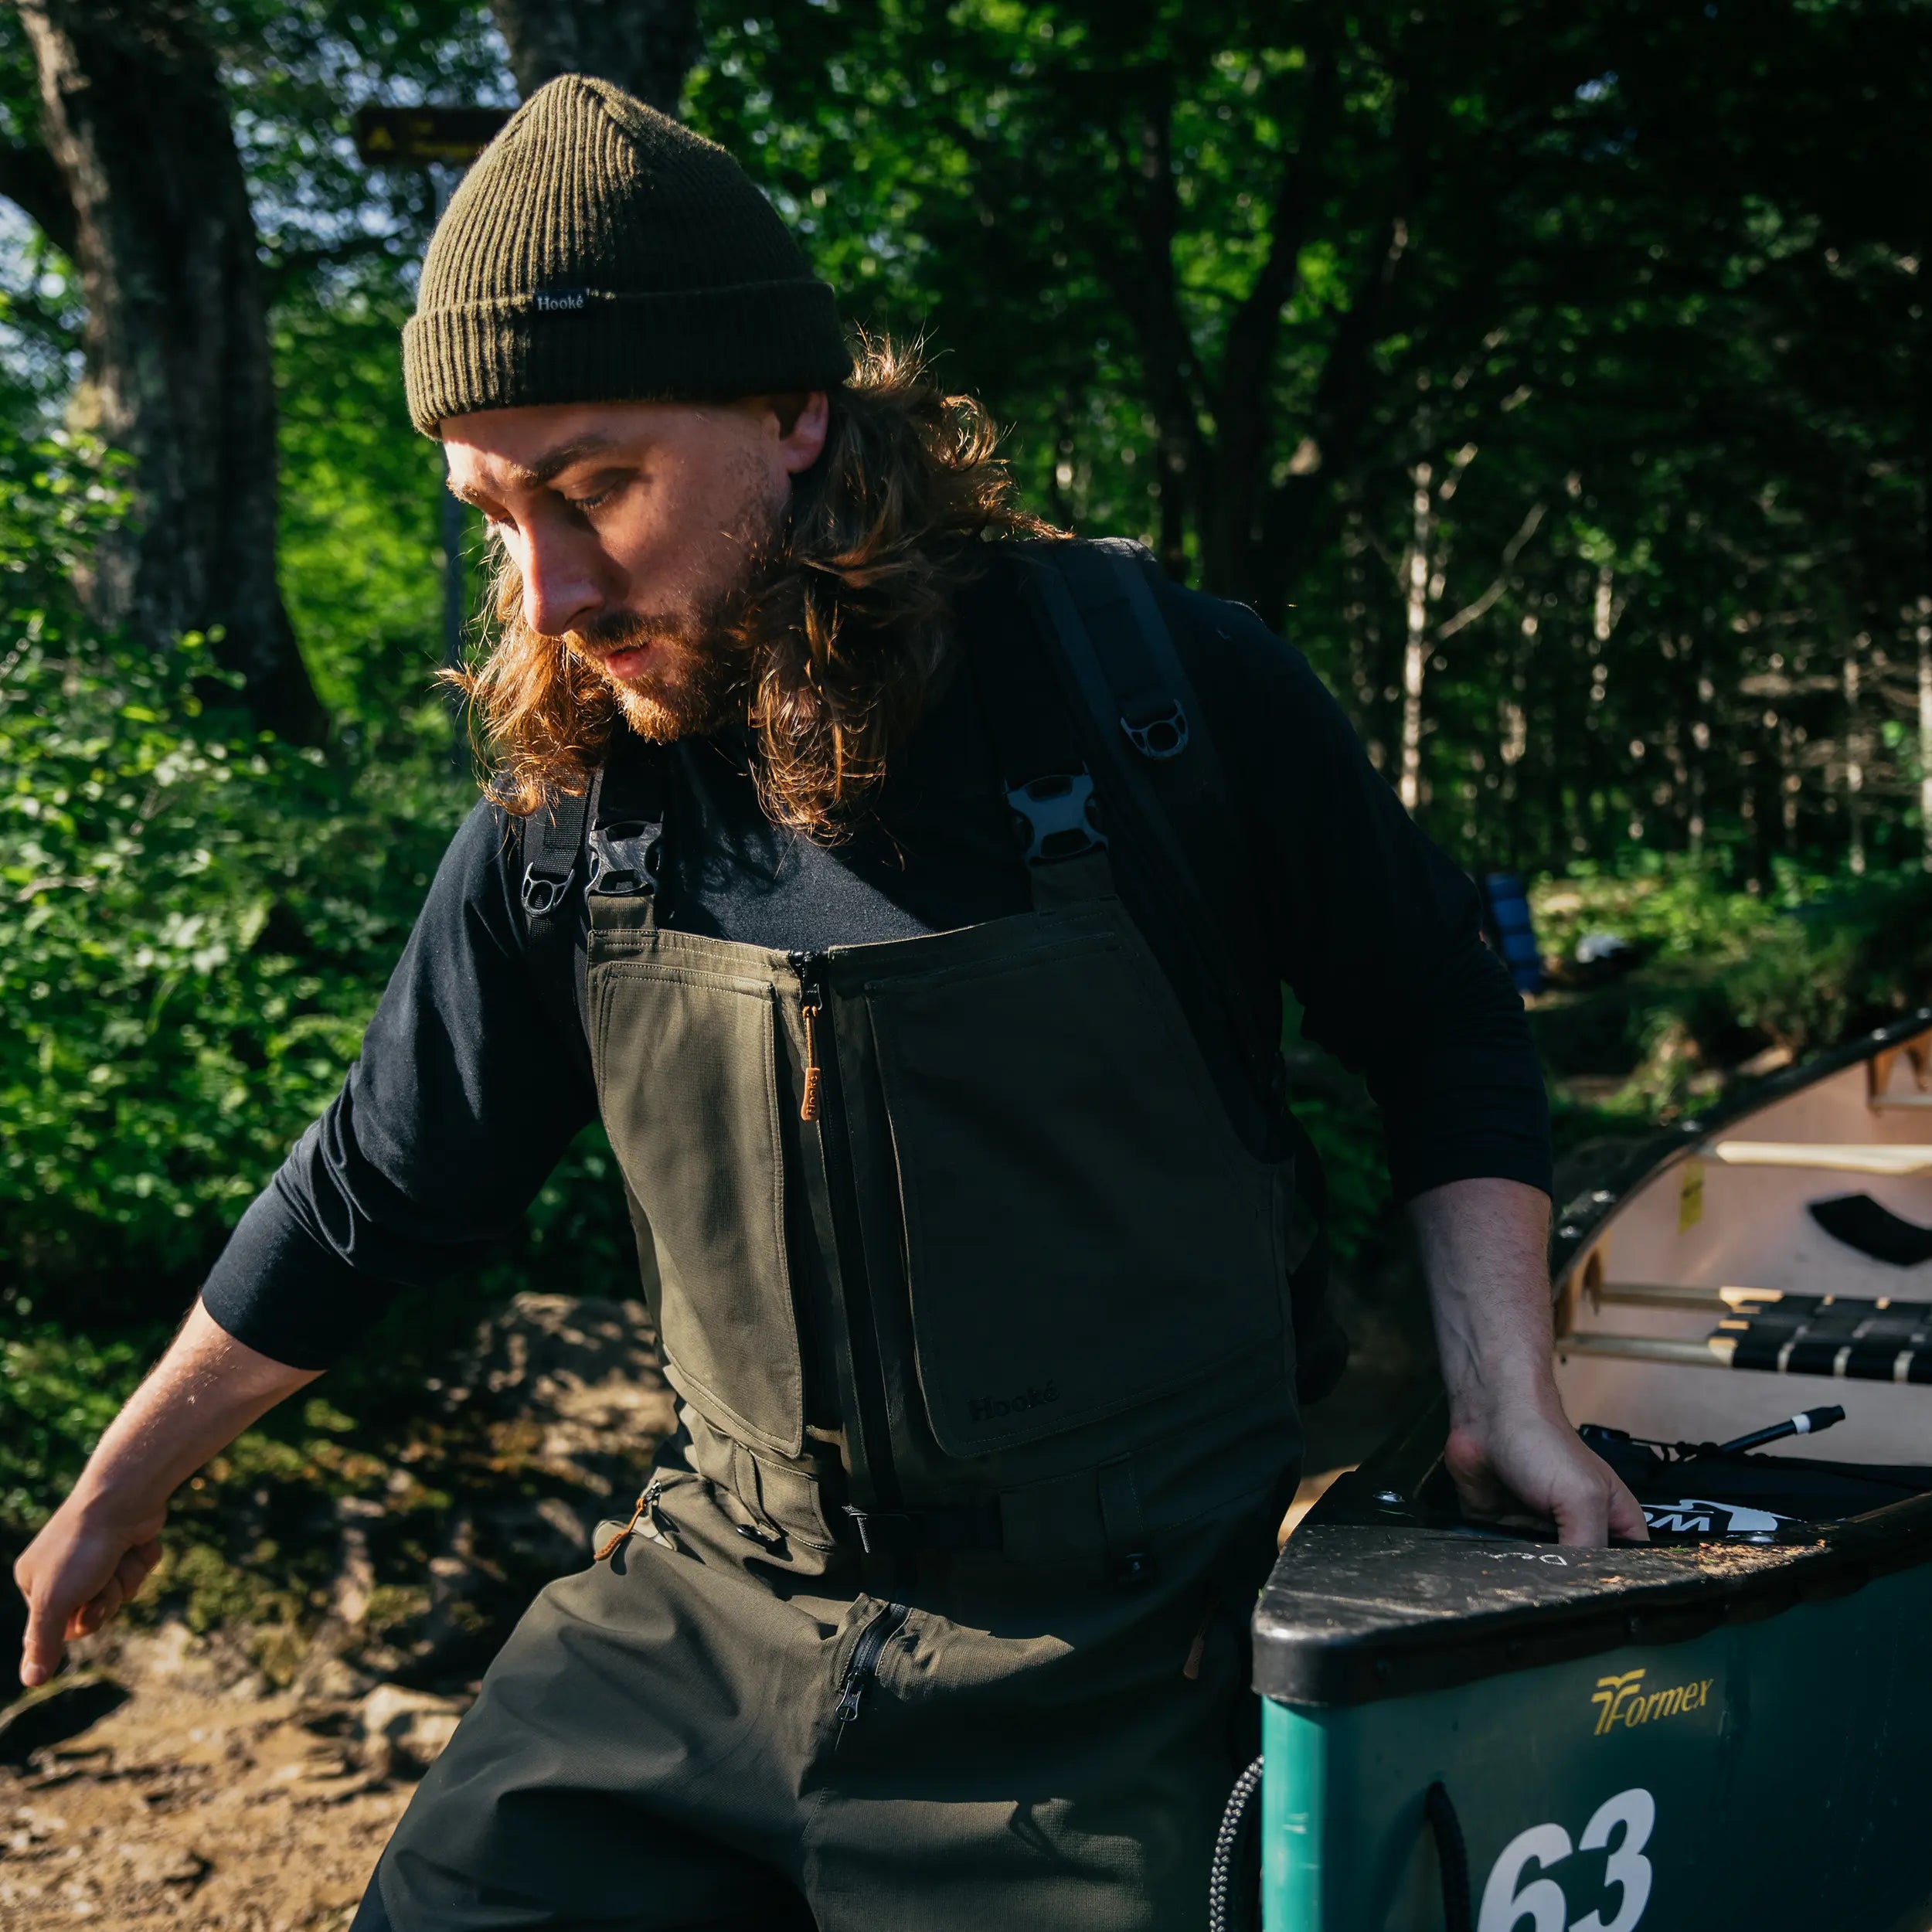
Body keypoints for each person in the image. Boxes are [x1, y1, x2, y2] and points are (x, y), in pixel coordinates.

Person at [13, 75, 1644, 1932]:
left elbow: (1437, 1010)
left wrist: (1507, 1392)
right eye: (493, 509)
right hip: (697, 1614)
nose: (546, 592)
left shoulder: (1152, 698)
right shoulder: (566, 812)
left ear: (794, 414)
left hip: (1107, 1663)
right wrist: (118, 1482)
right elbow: (374, 1185)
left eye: (597, 486)